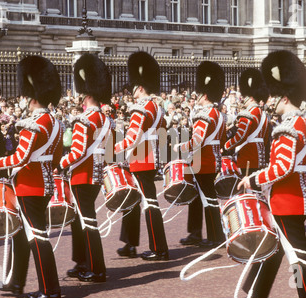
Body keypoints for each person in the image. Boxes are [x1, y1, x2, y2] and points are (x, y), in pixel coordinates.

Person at [238, 50, 306, 298]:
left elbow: (282, 168)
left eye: (275, 96)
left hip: (285, 202)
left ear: (284, 97)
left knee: (298, 259)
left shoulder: (287, 127)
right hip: (296, 199)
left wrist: (252, 179)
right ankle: (256, 294)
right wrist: (300, 181)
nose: (270, 101)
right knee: (272, 250)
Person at [0, 56, 63, 298]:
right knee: (20, 233)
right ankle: (16, 282)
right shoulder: (55, 123)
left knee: (38, 237)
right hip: (44, 183)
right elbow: (55, 155)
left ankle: (50, 290)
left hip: (31, 186)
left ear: (32, 96)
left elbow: (20, 157)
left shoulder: (35, 124)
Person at [60, 53, 113, 283]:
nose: (81, 99)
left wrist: (59, 164)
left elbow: (78, 151)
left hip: (82, 176)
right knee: (80, 220)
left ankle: (96, 268)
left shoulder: (85, 120)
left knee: (87, 222)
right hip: (96, 174)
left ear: (88, 95)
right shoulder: (105, 120)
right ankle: (81, 262)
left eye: (83, 95)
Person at [114, 51, 169, 261]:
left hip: (140, 160)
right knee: (133, 200)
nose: (131, 92)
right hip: (150, 158)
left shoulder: (141, 108)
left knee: (149, 203)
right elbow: (163, 135)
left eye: (133, 88)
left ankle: (159, 248)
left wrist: (112, 151)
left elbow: (132, 138)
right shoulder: (156, 107)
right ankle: (129, 243)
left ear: (139, 87)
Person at [175, 61, 226, 248]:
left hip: (203, 161)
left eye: (198, 95)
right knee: (198, 199)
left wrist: (181, 146)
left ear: (204, 95)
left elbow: (197, 140)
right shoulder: (218, 114)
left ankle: (214, 236)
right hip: (211, 160)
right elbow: (221, 138)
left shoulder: (204, 114)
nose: (196, 98)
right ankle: (196, 233)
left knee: (207, 199)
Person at [224, 68, 270, 176]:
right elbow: (266, 138)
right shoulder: (263, 114)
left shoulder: (247, 113)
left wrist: (226, 146)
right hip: (260, 157)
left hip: (248, 157)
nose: (242, 98)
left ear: (250, 97)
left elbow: (241, 136)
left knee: (247, 189)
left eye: (244, 96)